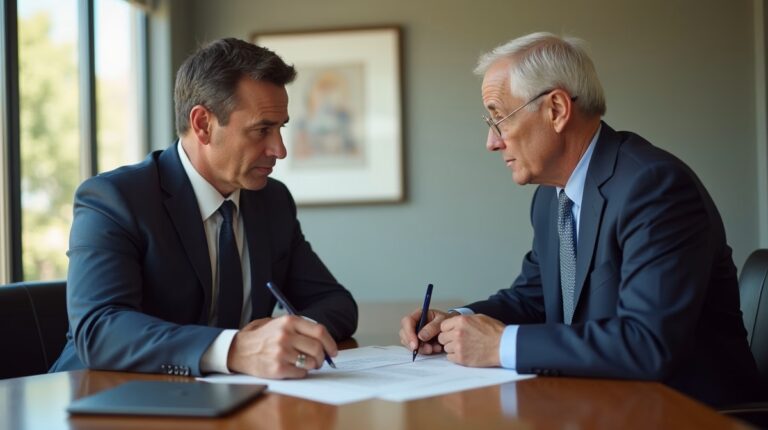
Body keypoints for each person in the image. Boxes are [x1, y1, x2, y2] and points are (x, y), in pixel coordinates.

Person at [399, 32, 761, 406]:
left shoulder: (654, 187)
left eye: (499, 119)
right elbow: (533, 298)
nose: (492, 142)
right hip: (599, 403)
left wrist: (499, 345)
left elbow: (646, 343)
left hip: (690, 413)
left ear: (556, 109)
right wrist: (456, 322)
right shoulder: (550, 197)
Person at [51, 38, 358, 379]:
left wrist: (290, 333)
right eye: (262, 130)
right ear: (203, 124)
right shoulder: (114, 199)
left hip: (229, 401)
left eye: (280, 128)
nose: (280, 150)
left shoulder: (273, 201)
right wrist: (236, 349)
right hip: (102, 400)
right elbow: (99, 330)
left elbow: (336, 303)